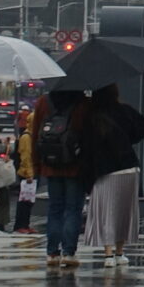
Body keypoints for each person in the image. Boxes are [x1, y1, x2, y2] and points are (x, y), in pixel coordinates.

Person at [79, 86, 144, 267]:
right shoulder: (124, 112)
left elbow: (86, 148)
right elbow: (142, 131)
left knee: (106, 213)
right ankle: (119, 253)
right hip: (127, 168)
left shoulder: (92, 117)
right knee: (123, 212)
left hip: (103, 172)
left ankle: (108, 255)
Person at [28, 95, 88, 269]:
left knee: (55, 209)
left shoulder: (43, 102)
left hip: (51, 165)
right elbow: (87, 136)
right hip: (74, 166)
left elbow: (35, 136)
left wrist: (36, 164)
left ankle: (52, 253)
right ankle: (68, 252)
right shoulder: (82, 103)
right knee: (73, 209)